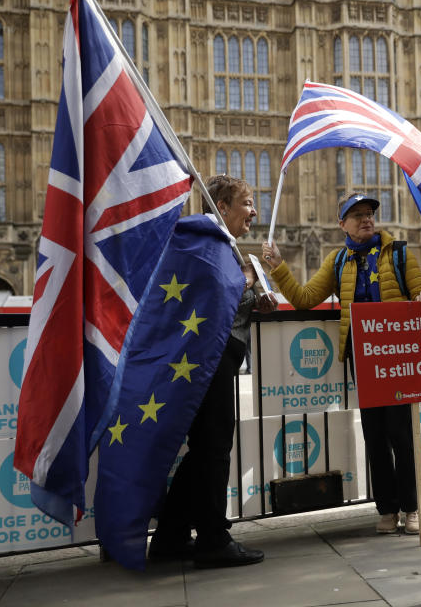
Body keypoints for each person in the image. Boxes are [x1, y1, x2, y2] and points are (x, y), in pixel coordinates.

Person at [261, 191, 421, 535]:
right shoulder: (338, 261)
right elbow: (305, 298)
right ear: (343, 224)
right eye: (357, 215)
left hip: (398, 356)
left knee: (402, 434)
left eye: (369, 213)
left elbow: (420, 291)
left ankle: (413, 508)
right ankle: (387, 510)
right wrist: (279, 267)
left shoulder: (399, 253)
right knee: (375, 436)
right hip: (364, 357)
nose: (366, 219)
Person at [149, 174, 277, 568]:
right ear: (221, 207)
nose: (254, 211)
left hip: (215, 357)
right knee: (214, 451)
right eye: (247, 202)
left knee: (205, 451)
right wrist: (252, 284)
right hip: (210, 358)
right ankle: (213, 539)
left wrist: (257, 290)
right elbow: (216, 300)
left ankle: (170, 538)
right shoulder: (209, 243)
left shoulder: (218, 244)